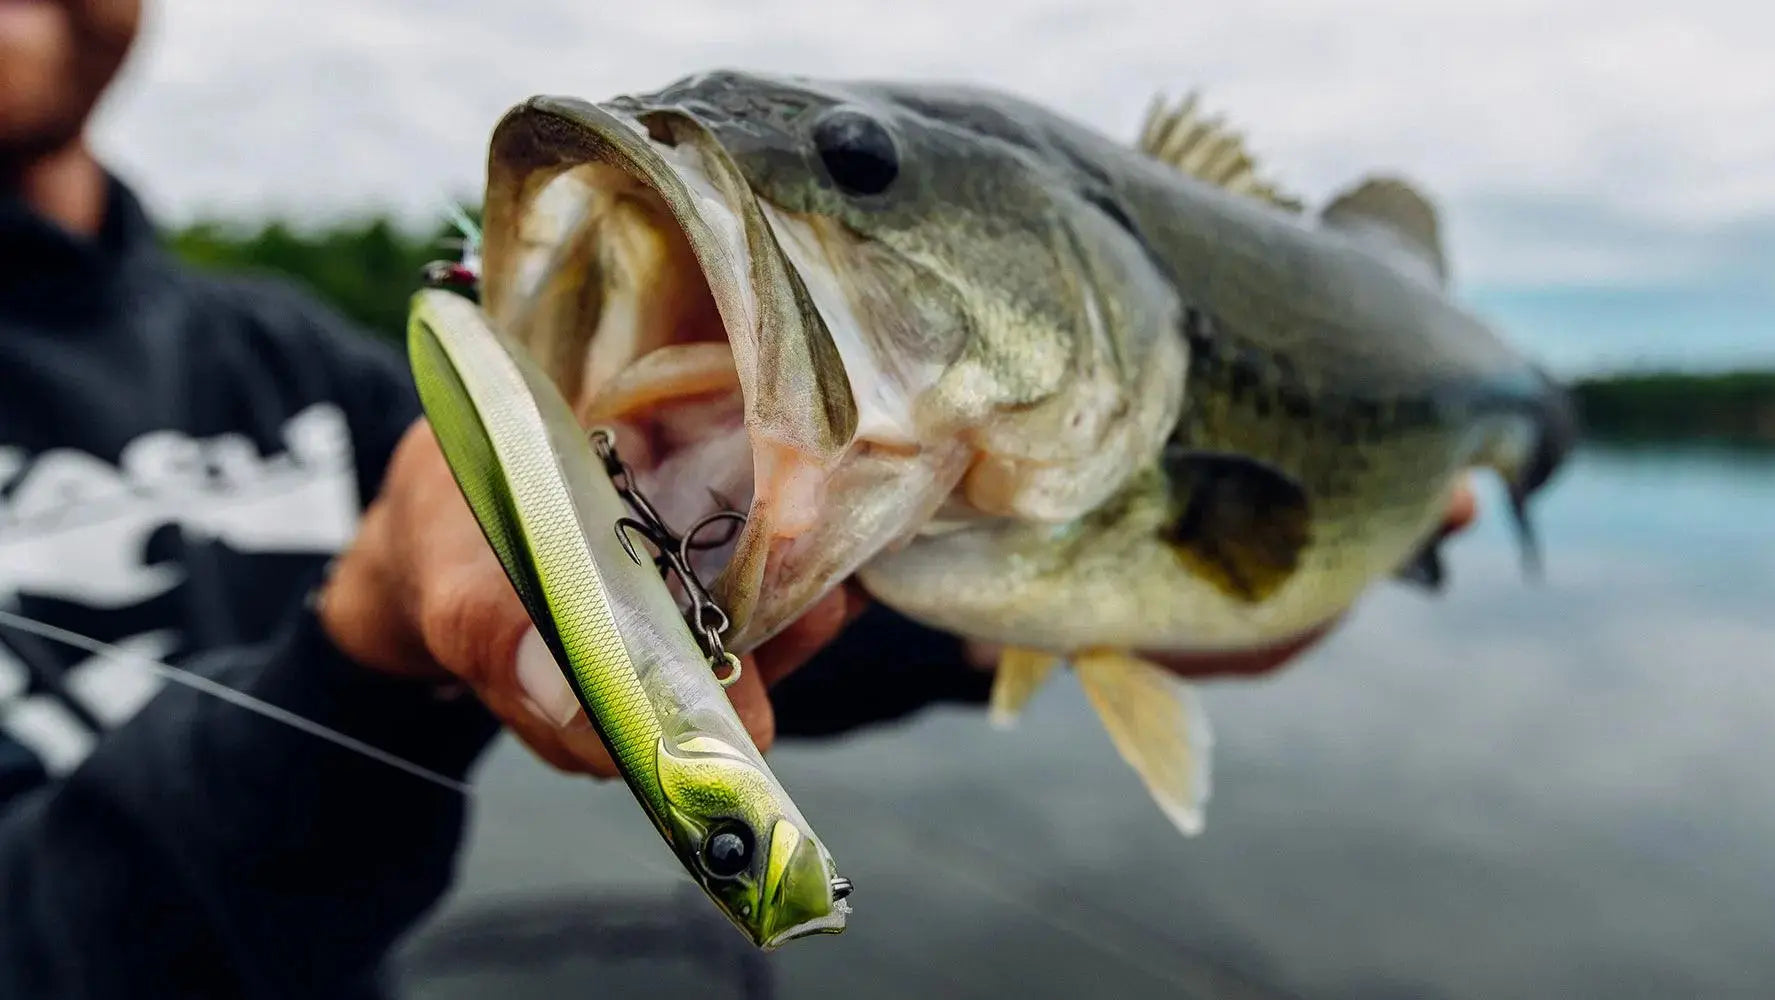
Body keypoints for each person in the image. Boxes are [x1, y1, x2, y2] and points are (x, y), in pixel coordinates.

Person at [0, 2, 1477, 997]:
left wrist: (1091, 615)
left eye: (859, 168)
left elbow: (817, 640)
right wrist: (374, 651)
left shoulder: (292, 359)